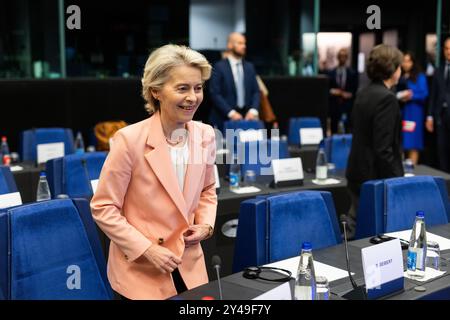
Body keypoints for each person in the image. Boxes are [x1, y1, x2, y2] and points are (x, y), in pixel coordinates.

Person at [90, 44, 217, 300]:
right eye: (182, 88)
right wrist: (146, 249)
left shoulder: (206, 135)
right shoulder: (128, 140)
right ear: (155, 91)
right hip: (141, 273)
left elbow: (207, 190)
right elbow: (103, 207)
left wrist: (205, 224)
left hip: (190, 268)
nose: (193, 97)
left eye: (198, 87)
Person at [345, 44, 404, 238]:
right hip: (374, 176)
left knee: (357, 229)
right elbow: (383, 148)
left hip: (357, 170)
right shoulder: (388, 99)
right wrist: (398, 180)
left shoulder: (364, 92)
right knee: (373, 235)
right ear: (393, 70)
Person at [209, 32, 260, 132]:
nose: (244, 46)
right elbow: (215, 93)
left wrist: (253, 111)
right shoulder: (219, 67)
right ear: (230, 45)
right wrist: (231, 113)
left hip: (246, 120)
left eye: (244, 43)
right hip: (223, 120)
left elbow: (256, 91)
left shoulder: (250, 67)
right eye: (240, 43)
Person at [397, 51, 428, 165]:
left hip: (414, 114)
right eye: (403, 61)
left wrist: (411, 96)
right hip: (402, 113)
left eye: (408, 61)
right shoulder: (400, 76)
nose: (405, 64)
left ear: (413, 62)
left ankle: (412, 171)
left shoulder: (420, 76)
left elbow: (424, 94)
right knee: (402, 142)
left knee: (413, 143)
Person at [426, 37, 450, 173]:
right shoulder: (438, 70)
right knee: (441, 151)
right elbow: (433, 95)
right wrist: (429, 116)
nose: (449, 52)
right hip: (440, 117)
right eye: (446, 48)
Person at [328, 48, 358, 134]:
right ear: (338, 57)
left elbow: (354, 90)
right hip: (334, 104)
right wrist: (335, 92)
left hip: (348, 105)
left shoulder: (352, 73)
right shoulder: (331, 73)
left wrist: (348, 94)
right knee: (334, 126)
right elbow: (328, 89)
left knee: (348, 127)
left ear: (347, 58)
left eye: (344, 56)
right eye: (340, 56)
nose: (342, 58)